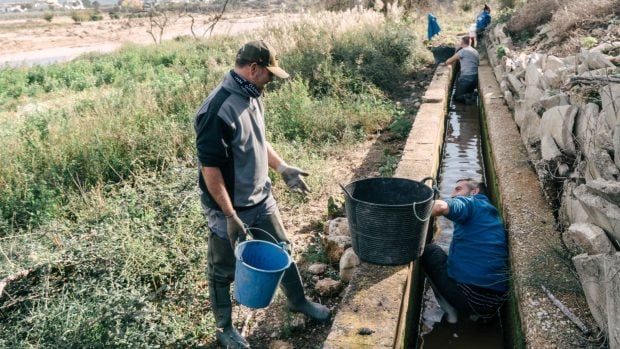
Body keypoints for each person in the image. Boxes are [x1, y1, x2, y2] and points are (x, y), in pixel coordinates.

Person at [194, 40, 330, 348]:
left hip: (261, 198)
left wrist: (282, 168)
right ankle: (225, 329)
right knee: (221, 270)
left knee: (281, 250)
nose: (271, 80)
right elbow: (210, 170)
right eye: (269, 74)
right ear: (253, 68)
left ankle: (298, 302)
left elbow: (257, 140)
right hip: (228, 209)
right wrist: (229, 216)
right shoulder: (217, 110)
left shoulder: (253, 95)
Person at [420, 178, 509, 324]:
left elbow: (440, 207)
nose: (454, 195)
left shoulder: (471, 203)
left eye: (458, 189)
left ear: (474, 191)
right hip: (495, 304)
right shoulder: (492, 214)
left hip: (470, 298)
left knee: (430, 251)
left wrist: (410, 208)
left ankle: (451, 313)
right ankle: (476, 316)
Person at [440, 36, 479, 104]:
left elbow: (450, 61)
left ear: (462, 43)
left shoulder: (463, 51)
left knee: (456, 98)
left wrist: (444, 63)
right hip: (475, 78)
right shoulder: (475, 51)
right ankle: (472, 95)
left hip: (466, 78)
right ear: (470, 42)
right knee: (468, 92)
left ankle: (472, 97)